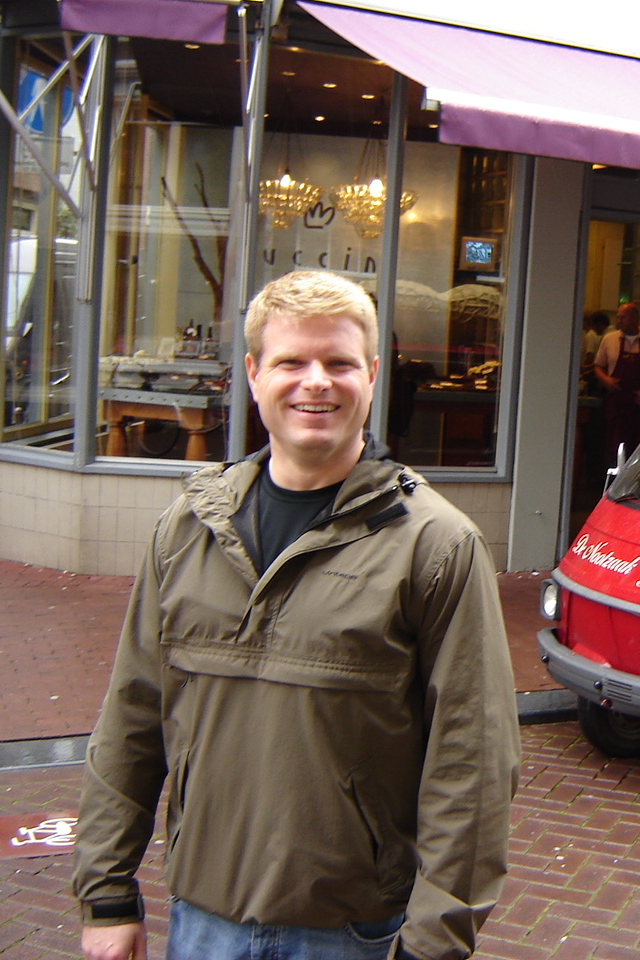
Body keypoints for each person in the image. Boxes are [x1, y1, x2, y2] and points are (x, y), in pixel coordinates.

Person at [72, 269, 521, 960]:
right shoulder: (187, 529)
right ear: (253, 375)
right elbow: (132, 717)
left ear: (372, 376)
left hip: (357, 934)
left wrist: (434, 942)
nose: (316, 381)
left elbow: (474, 763)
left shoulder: (435, 545)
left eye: (339, 362)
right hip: (202, 922)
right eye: (291, 361)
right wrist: (105, 892)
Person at [593, 301, 640, 460]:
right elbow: (598, 366)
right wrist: (606, 380)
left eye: (623, 317)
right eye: (618, 317)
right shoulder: (609, 339)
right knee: (616, 445)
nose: (619, 321)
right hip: (617, 402)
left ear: (635, 317)